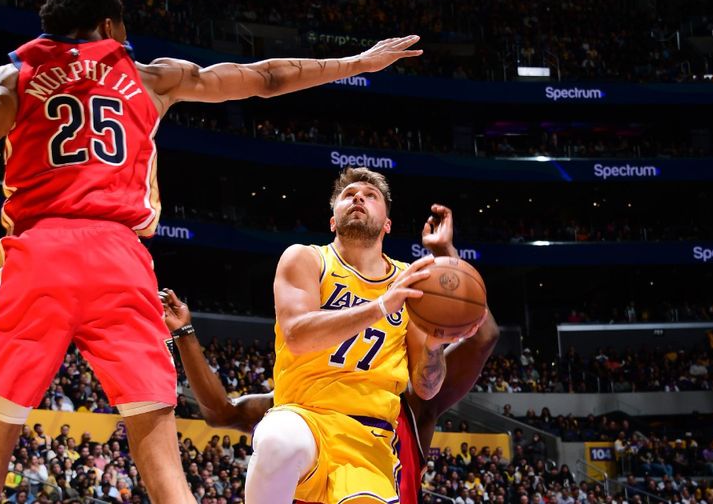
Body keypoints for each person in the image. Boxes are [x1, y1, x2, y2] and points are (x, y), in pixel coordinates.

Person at [0, 0, 421, 504]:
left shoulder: (11, 77)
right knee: (165, 468)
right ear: (109, 26)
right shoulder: (151, 77)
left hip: (39, 253)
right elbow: (264, 77)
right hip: (121, 260)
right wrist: (357, 63)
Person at [161, 200, 499, 503]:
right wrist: (186, 334)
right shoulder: (297, 408)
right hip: (304, 431)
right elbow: (222, 411)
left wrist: (445, 258)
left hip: (372, 462)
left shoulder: (411, 406)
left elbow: (482, 336)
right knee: (280, 440)